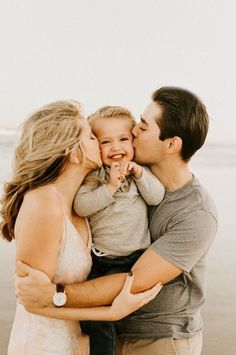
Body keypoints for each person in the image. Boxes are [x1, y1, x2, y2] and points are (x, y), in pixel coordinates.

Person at [14, 87, 218, 355]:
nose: (133, 132)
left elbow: (136, 280)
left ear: (171, 144)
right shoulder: (73, 193)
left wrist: (55, 293)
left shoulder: (195, 213)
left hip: (158, 339)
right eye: (97, 138)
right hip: (101, 329)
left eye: (142, 127)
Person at [0, 100, 162, 355]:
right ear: (73, 152)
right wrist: (113, 311)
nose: (101, 143)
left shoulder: (78, 201)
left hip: (75, 343)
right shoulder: (43, 204)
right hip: (43, 346)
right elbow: (33, 301)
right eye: (91, 136)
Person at [74, 106, 165, 355]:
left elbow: (156, 197)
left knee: (106, 318)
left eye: (123, 139)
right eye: (106, 141)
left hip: (133, 260)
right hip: (101, 259)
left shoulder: (140, 173)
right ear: (96, 146)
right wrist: (110, 187)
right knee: (89, 317)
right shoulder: (95, 177)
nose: (116, 147)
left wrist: (139, 174)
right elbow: (81, 206)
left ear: (133, 141)